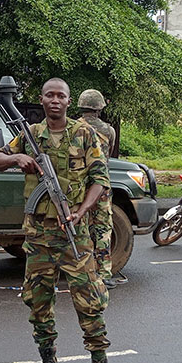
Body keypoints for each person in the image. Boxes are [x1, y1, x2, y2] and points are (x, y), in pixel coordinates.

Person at [0, 78, 113, 363]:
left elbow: (100, 180)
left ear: (69, 102)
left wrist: (81, 211)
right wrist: (19, 159)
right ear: (41, 100)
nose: (55, 101)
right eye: (49, 95)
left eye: (61, 96)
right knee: (38, 306)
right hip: (39, 238)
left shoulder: (84, 134)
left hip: (75, 237)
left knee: (90, 308)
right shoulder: (31, 134)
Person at [76, 89, 119, 289]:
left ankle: (82, 271)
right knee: (102, 229)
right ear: (100, 108)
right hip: (101, 186)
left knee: (81, 227)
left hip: (80, 187)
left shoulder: (73, 127)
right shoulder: (109, 130)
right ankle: (103, 274)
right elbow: (108, 155)